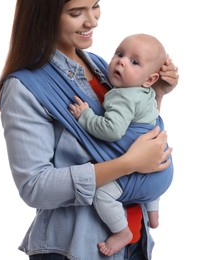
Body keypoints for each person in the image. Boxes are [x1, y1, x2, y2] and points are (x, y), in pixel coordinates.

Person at [0, 1, 178, 260]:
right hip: (78, 248)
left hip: (135, 243)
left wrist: (156, 92)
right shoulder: (24, 88)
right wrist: (128, 164)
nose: (92, 21)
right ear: (44, 16)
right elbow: (34, 187)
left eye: (95, 5)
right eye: (76, 12)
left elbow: (131, 133)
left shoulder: (101, 67)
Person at [69, 33, 172, 256]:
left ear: (150, 79)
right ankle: (153, 214)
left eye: (135, 62)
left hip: (147, 173)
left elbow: (112, 130)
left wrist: (85, 116)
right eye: (119, 53)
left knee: (102, 195)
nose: (121, 61)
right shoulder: (147, 94)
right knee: (148, 176)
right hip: (163, 170)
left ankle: (121, 232)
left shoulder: (121, 96)